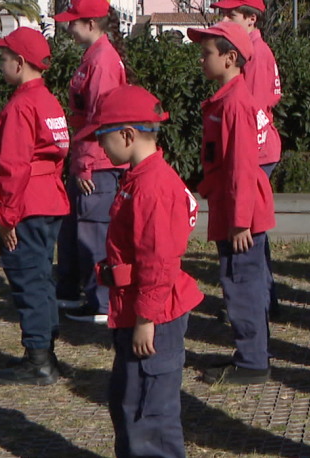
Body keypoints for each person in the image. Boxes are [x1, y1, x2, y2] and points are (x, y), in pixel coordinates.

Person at [74, 84, 204, 458]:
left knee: (151, 413)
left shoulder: (153, 186)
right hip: (136, 308)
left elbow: (158, 260)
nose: (100, 147)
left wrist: (146, 317)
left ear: (127, 135)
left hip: (153, 315)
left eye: (102, 138)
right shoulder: (138, 179)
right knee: (129, 402)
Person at [0, 28, 74, 386]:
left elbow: (12, 166)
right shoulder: (49, 101)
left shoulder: (21, 106)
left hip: (26, 202)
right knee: (41, 277)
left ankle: (39, 360)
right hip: (49, 199)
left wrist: (6, 217)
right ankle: (46, 352)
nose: (0, 64)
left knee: (28, 279)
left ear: (19, 63)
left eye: (3, 58)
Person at [188, 22, 277, 385]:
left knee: (242, 283)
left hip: (242, 215)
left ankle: (253, 361)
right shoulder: (227, 99)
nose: (202, 58)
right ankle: (249, 355)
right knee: (236, 279)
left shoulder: (236, 103)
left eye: (208, 52)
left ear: (230, 58)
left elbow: (241, 165)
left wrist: (240, 221)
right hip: (232, 207)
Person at [55, 0, 131, 325]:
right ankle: (80, 293)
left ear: (90, 24)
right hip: (88, 158)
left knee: (93, 232)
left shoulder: (102, 60)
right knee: (76, 229)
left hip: (97, 162)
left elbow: (101, 118)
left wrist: (85, 161)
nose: (68, 27)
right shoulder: (94, 56)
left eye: (73, 22)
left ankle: (101, 301)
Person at [215, 0, 285, 319]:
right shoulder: (253, 51)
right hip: (258, 150)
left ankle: (257, 301)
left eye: (230, 15)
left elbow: (251, 114)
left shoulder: (255, 56)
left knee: (250, 234)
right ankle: (262, 299)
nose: (224, 20)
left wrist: (244, 161)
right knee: (256, 234)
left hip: (256, 152)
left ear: (251, 19)